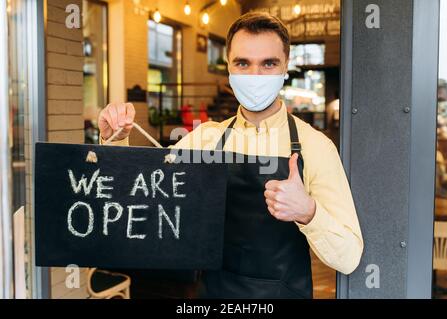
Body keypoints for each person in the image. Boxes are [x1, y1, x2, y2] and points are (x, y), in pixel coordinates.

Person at [98, 12, 363, 299]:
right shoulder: (204, 139)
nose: (254, 76)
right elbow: (139, 202)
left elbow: (348, 258)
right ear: (229, 68)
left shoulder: (315, 146)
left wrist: (308, 212)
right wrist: (114, 140)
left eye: (268, 64)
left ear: (286, 66)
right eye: (243, 63)